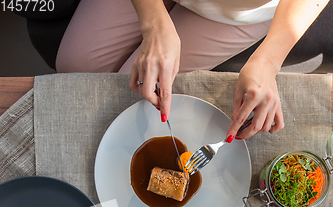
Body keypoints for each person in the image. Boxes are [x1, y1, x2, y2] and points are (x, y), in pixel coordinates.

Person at [56, 0, 330, 141]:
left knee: (136, 93)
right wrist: (153, 22)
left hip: (234, 12)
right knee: (74, 69)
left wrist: (268, 62)